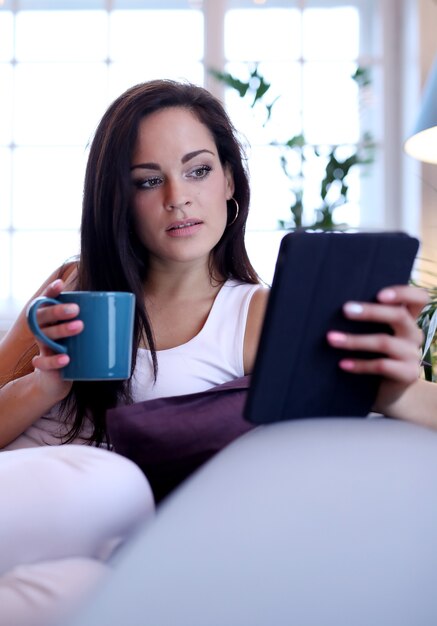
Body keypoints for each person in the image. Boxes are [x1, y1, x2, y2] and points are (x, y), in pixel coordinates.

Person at [0, 79, 435, 624]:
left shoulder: (257, 317)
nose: (177, 196)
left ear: (230, 179)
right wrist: (45, 385)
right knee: (111, 486)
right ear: (119, 197)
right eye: (148, 180)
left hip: (115, 550)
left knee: (84, 587)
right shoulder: (74, 284)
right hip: (27, 487)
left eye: (198, 169)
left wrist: (397, 391)